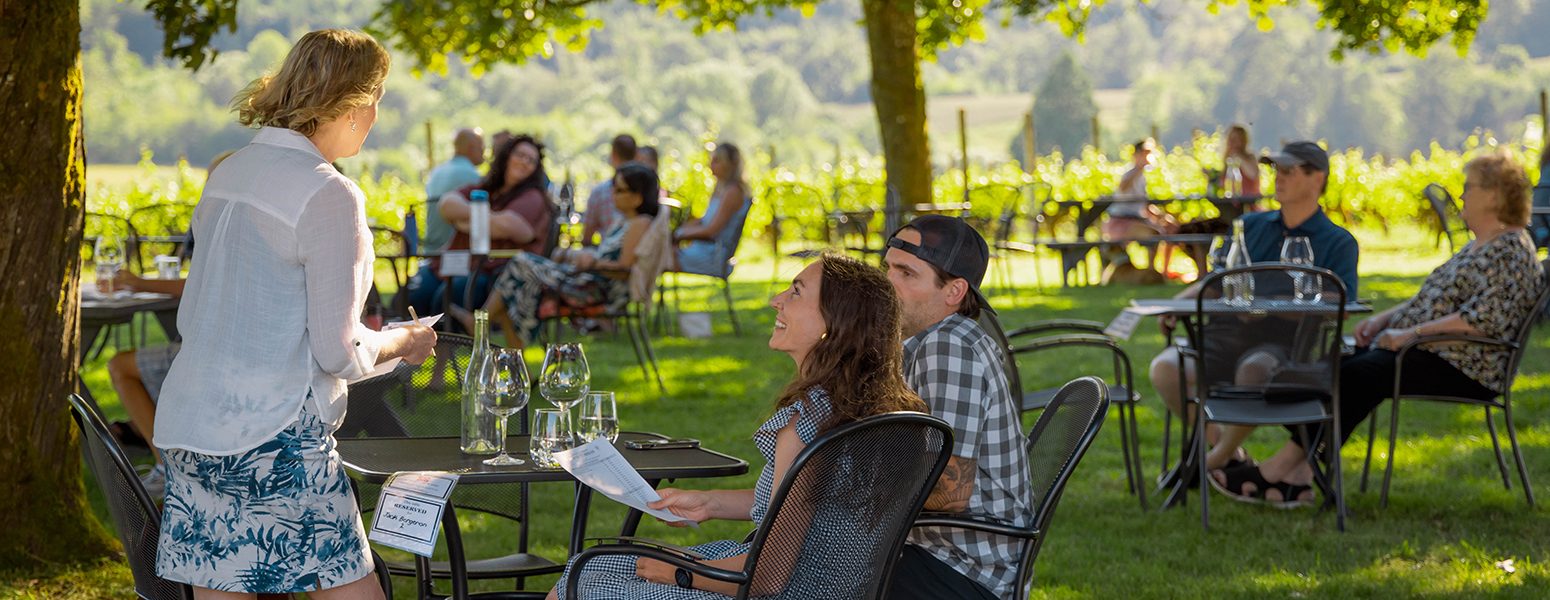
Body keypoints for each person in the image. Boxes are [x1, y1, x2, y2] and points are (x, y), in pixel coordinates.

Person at [152, 29, 437, 599]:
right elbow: (338, 352)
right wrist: (403, 341)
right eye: (376, 96)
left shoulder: (229, 171)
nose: (378, 113)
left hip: (189, 423)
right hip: (272, 434)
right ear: (353, 101)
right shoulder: (328, 193)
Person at [547, 253, 928, 599]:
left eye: (795, 293)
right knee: (598, 566)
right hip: (836, 587)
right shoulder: (877, 413)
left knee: (582, 575)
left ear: (834, 325)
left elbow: (767, 577)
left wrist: (677, 572)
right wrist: (709, 503)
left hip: (777, 589)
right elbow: (806, 504)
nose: (775, 300)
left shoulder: (806, 422)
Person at [1212, 151, 1543, 505]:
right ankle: (1301, 476)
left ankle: (1282, 470)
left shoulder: (1510, 250)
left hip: (1465, 363)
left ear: (1493, 195)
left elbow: (1481, 320)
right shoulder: (1479, 245)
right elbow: (1432, 298)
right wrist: (1385, 319)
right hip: (1432, 352)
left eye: (1468, 187)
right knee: (1332, 364)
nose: (1460, 195)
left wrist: (1407, 335)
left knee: (1359, 375)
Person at [1148, 141, 1360, 474]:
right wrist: (1176, 304)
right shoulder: (1250, 226)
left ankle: (1213, 461)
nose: (1278, 178)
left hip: (1285, 343)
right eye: (1276, 171)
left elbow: (1340, 304)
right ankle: (1225, 451)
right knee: (1164, 369)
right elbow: (1217, 281)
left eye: (1288, 172)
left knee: (1253, 369)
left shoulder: (1338, 241)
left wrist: (1273, 309)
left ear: (1317, 179)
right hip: (1226, 333)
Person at [882, 215, 1031, 600]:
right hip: (936, 552)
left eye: (906, 273)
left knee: (802, 569)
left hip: (963, 571)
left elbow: (950, 494)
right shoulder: (926, 342)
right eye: (888, 268)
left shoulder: (948, 347)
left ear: (953, 291)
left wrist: (850, 488)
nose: (887, 283)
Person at [107, 149, 237, 500]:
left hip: (214, 354)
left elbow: (201, 285)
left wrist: (140, 283)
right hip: (225, 349)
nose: (208, 187)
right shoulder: (242, 223)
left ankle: (166, 466)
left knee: (120, 366)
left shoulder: (225, 223)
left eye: (214, 179)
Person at [456, 162, 663, 348]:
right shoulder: (624, 221)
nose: (612, 194)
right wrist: (578, 256)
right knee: (514, 286)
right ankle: (512, 359)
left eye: (619, 189)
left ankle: (480, 322)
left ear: (636, 197)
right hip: (588, 284)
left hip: (598, 293)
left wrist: (592, 261)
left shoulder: (639, 223)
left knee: (521, 263)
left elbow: (625, 269)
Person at [434, 134, 556, 314]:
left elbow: (510, 227)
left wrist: (464, 220)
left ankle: (451, 340)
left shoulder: (533, 197)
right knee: (414, 295)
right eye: (520, 155)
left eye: (531, 160)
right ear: (506, 155)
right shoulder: (485, 187)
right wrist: (486, 218)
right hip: (458, 264)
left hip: (495, 274)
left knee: (443, 299)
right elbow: (446, 205)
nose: (524, 162)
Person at [406, 128, 485, 315]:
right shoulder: (474, 178)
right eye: (482, 147)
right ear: (472, 148)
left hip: (430, 251)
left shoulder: (436, 172)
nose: (484, 151)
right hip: (457, 256)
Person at [673, 143, 752, 276]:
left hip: (713, 255)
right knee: (658, 253)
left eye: (717, 161)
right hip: (704, 248)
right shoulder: (720, 189)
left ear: (731, 164)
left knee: (658, 256)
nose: (711, 165)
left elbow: (712, 230)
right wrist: (678, 231)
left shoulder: (732, 192)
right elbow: (703, 221)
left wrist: (680, 234)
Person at [1102, 139, 1174, 276]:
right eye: (1145, 153)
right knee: (1155, 234)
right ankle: (1152, 273)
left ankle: (1162, 273)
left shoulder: (1142, 177)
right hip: (1120, 221)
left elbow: (1144, 205)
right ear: (1136, 155)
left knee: (1166, 230)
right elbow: (1122, 190)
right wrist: (1138, 168)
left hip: (1136, 219)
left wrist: (1163, 217)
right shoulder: (1129, 173)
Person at [581, 134, 637, 246]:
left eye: (620, 191)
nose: (614, 194)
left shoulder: (600, 192)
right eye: (616, 190)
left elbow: (587, 237)